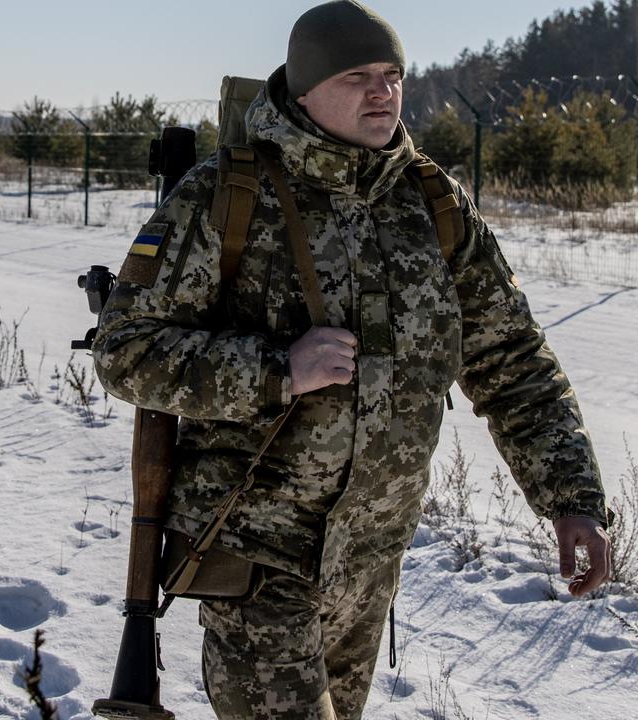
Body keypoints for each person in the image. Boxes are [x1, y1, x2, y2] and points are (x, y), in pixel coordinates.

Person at [91, 2, 612, 717]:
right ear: (304, 90)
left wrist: (572, 500)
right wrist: (278, 370)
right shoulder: (228, 196)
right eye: (357, 75)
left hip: (369, 559)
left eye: (393, 75)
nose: (382, 92)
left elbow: (512, 360)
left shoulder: (433, 204)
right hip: (255, 547)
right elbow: (127, 350)